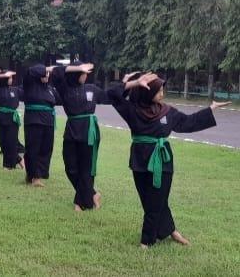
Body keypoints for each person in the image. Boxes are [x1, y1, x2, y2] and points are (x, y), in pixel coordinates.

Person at [109, 72, 229, 248]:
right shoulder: (132, 110)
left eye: (162, 90)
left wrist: (211, 109)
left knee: (155, 201)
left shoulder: (167, 112)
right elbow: (113, 95)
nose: (162, 94)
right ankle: (171, 230)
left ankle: (146, 241)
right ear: (147, 92)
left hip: (163, 161)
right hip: (140, 161)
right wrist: (132, 82)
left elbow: (188, 122)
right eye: (158, 91)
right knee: (152, 200)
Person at [50, 62, 111, 211]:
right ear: (76, 74)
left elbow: (110, 97)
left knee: (86, 168)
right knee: (70, 166)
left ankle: (80, 202)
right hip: (71, 130)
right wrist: (78, 67)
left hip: (89, 131)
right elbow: (56, 72)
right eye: (83, 73)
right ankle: (93, 194)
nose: (86, 75)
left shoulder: (92, 89)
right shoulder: (65, 89)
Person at [22, 64, 60, 187]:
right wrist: (46, 69)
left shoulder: (50, 89)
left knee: (46, 148)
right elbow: (30, 71)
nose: (47, 75)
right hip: (34, 120)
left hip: (48, 121)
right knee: (33, 148)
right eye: (45, 74)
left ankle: (39, 174)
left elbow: (60, 99)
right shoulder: (30, 85)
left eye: (48, 74)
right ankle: (34, 176)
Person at [0, 69, 24, 170]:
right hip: (1, 118)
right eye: (9, 78)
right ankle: (19, 160)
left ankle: (8, 165)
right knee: (3, 143)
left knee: (11, 142)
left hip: (12, 119)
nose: (11, 79)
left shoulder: (16, 90)